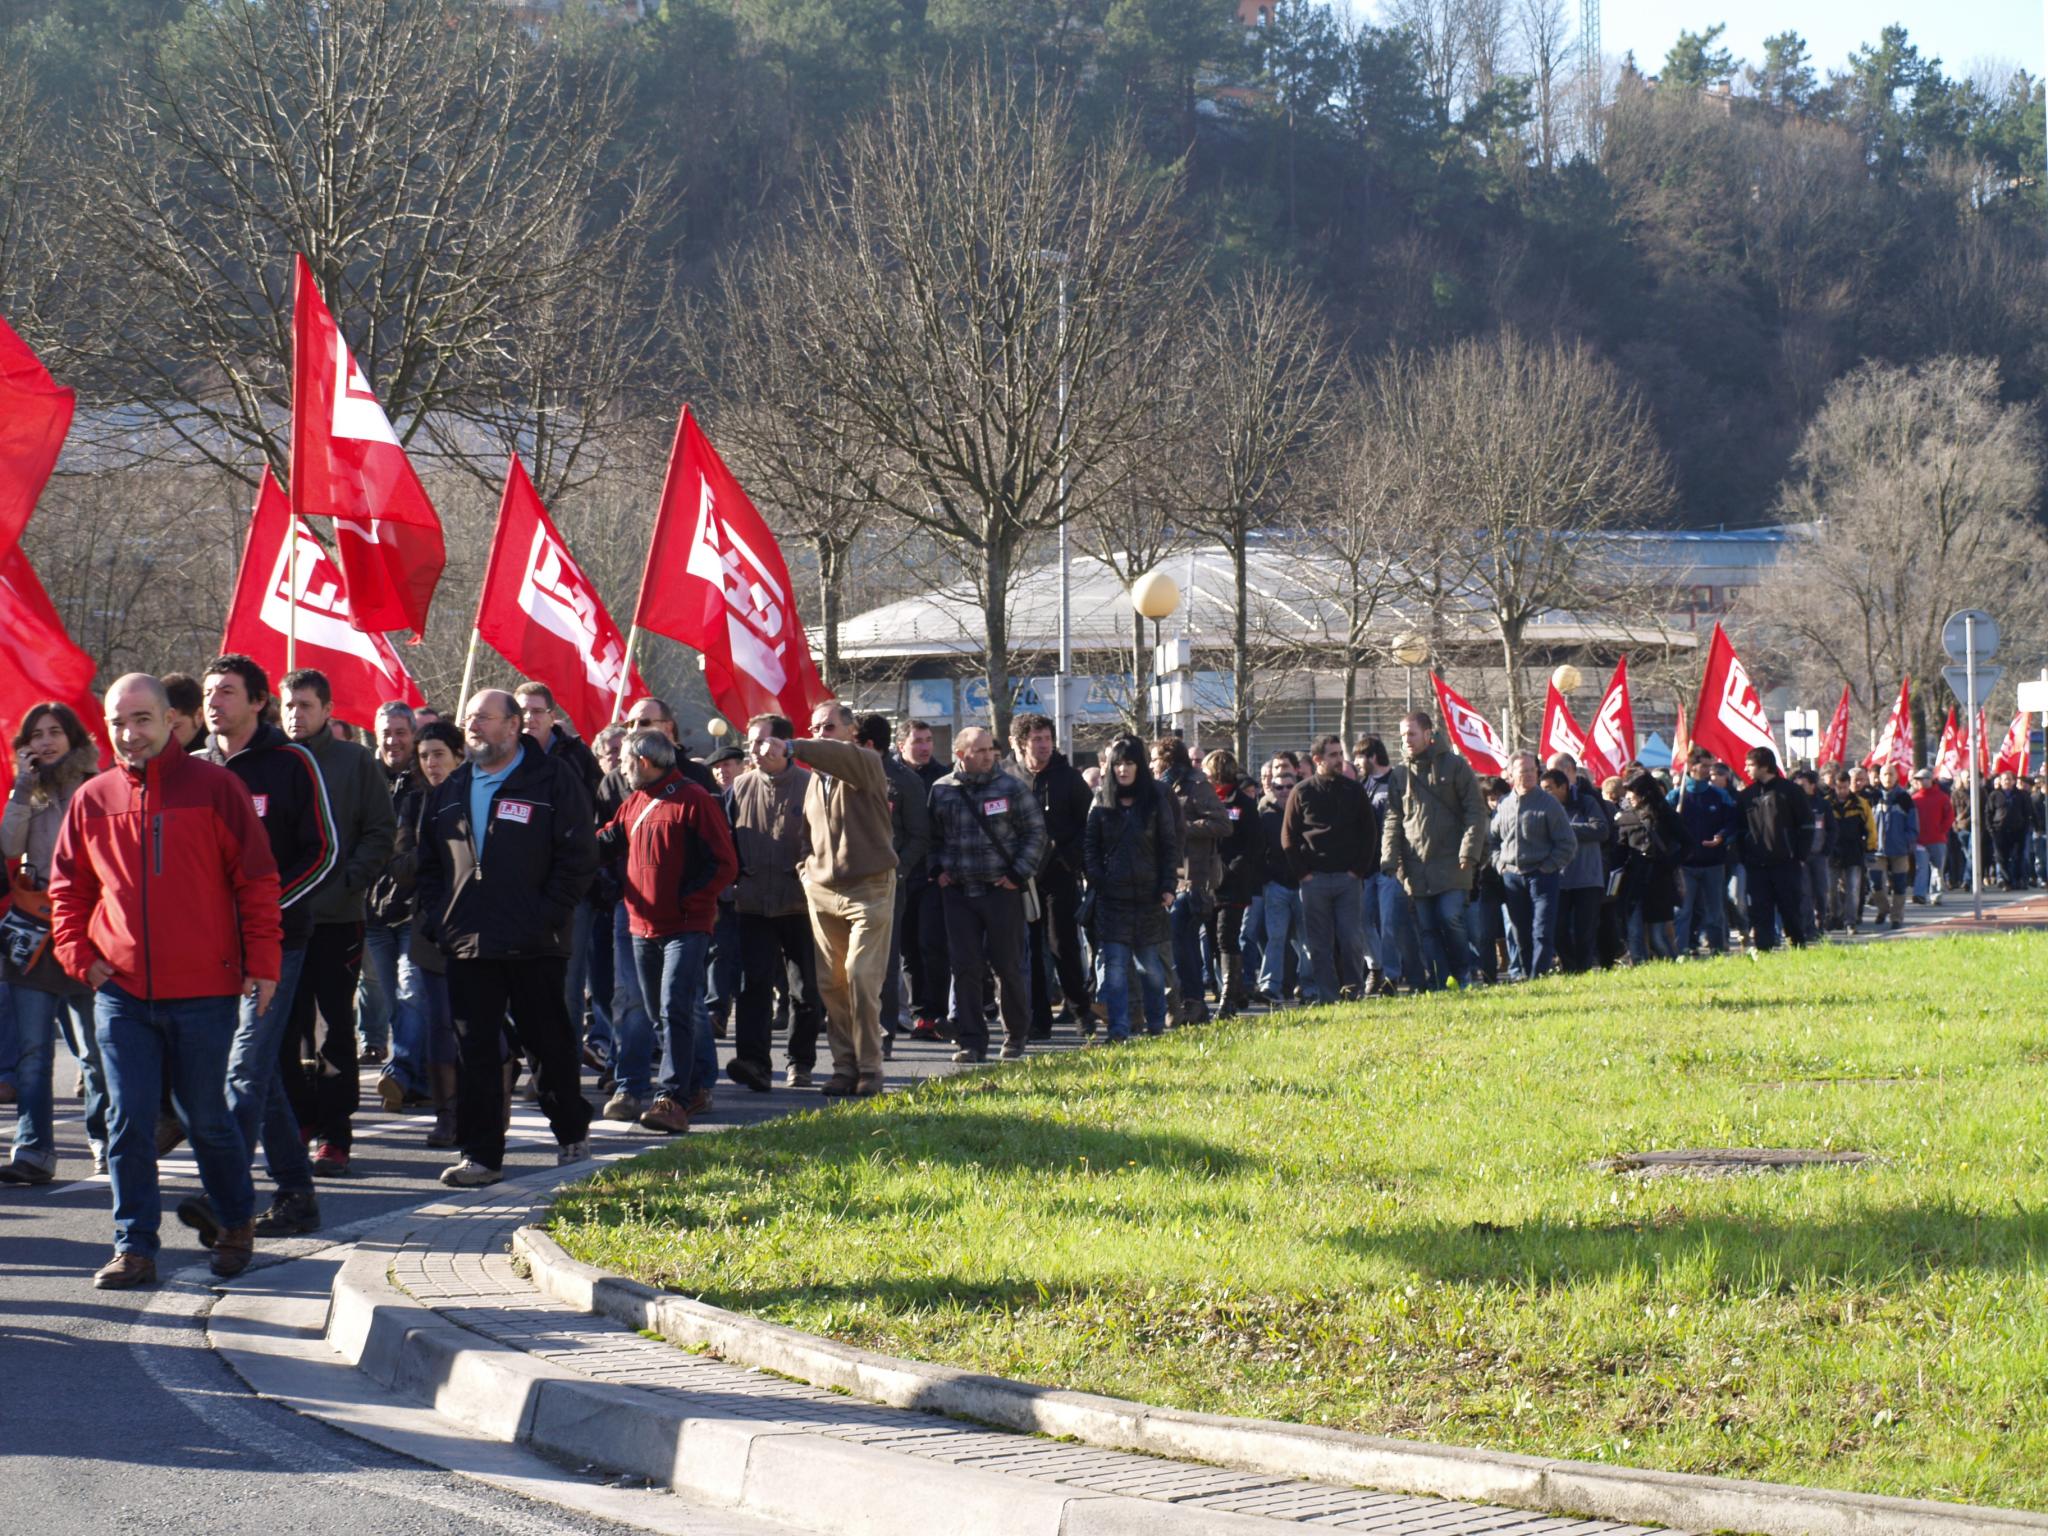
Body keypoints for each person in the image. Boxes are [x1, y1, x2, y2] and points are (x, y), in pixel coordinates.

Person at [51, 675, 282, 1287]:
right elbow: (67, 891)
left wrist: (263, 964)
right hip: (122, 993)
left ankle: (235, 1221)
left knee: (205, 1116)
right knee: (127, 1120)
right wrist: (81, 958)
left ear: (171, 721)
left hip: (205, 991)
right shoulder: (91, 798)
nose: (131, 734)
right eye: (119, 722)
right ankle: (135, 1246)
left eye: (143, 719)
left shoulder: (217, 790)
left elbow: (257, 881)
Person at [414, 689, 598, 1187]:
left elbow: (578, 856)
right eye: (469, 718)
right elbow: (428, 864)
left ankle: (571, 1136)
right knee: (475, 1050)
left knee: (549, 1042)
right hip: (468, 943)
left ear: (514, 725)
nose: (473, 726)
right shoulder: (450, 788)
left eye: (485, 718)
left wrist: (548, 914)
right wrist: (441, 918)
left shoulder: (552, 779)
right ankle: (482, 1156)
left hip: (534, 940)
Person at [198, 655, 338, 1240]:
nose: (213, 702)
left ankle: (224, 1199)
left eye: (227, 692)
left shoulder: (291, 762)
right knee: (264, 1075)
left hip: (278, 944)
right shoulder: (194, 770)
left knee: (244, 1071)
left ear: (259, 702)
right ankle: (297, 1195)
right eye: (208, 692)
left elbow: (324, 852)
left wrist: (263, 913)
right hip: (210, 948)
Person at [596, 728, 738, 1133]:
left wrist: (691, 903)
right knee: (664, 1016)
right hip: (642, 927)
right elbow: (607, 840)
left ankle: (672, 1098)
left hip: (686, 927)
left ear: (643, 761)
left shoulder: (693, 798)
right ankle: (691, 1089)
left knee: (676, 1005)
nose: (620, 770)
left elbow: (724, 863)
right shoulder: (635, 801)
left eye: (625, 762)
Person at [0, 702, 100, 1183]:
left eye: (54, 732)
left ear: (73, 738)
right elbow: (8, 847)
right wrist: (21, 786)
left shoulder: (96, 787)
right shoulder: (28, 792)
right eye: (36, 734)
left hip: (88, 929)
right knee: (33, 1052)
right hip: (33, 934)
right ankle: (33, 1151)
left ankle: (107, 1140)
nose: (45, 741)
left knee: (98, 1051)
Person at [787, 701, 899, 1095]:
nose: (820, 734)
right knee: (831, 984)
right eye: (814, 727)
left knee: (860, 976)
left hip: (869, 888)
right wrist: (806, 871)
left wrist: (791, 746)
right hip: (822, 891)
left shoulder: (865, 762)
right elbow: (806, 834)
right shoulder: (815, 780)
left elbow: (834, 755)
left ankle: (871, 1067)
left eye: (828, 726)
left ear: (852, 732)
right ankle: (844, 1066)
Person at [928, 726, 1046, 1063]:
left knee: (1008, 967)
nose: (987, 755)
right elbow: (932, 838)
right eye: (979, 750)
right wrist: (938, 871)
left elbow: (1036, 833)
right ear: (961, 754)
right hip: (960, 893)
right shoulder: (942, 790)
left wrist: (1017, 874)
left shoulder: (1010, 787)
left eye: (990, 749)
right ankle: (971, 1041)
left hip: (1001, 891)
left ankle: (1015, 1036)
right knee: (965, 967)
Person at [727, 714, 824, 1090]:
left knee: (804, 990)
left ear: (785, 745)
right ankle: (754, 1063)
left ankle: (800, 1062)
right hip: (752, 904)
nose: (753, 749)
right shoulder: (739, 787)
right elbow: (727, 841)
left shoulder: (811, 785)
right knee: (752, 987)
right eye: (750, 740)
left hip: (800, 904)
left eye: (762, 741)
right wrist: (734, 883)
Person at [395, 720, 465, 1147]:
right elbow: (402, 868)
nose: (431, 763)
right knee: (440, 1024)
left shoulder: (478, 792)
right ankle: (447, 1114)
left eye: (438, 753)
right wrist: (427, 843)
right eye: (424, 756)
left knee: (479, 1026)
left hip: (480, 927)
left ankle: (485, 1109)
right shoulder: (414, 804)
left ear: (458, 754)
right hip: (431, 931)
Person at [1380, 711, 1487, 990]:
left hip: (1454, 862)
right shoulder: (1400, 775)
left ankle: (1463, 974)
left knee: (1450, 918)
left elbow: (1475, 811)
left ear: (1429, 734)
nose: (1407, 740)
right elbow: (1394, 820)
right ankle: (1441, 981)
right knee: (1427, 929)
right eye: (1403, 735)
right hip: (1416, 866)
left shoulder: (1455, 766)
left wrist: (1469, 852)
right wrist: (1389, 860)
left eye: (1412, 734)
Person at [1083, 737, 1176, 1041]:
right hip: (1112, 900)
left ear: (1140, 765)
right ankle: (1118, 1029)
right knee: (1115, 969)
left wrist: (1167, 886)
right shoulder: (1100, 800)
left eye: (1129, 763)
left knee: (1151, 969)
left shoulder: (1154, 801)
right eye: (1118, 763)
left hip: (1149, 899)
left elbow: (1168, 847)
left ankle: (1156, 1026)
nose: (1123, 769)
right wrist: (1099, 879)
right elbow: (1091, 848)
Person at [1012, 712, 1095, 1040]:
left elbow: (1088, 824)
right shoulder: (1009, 776)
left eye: (1047, 738)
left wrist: (1067, 859)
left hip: (1059, 874)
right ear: (1022, 743)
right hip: (1021, 875)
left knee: (1063, 945)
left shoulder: (1068, 778)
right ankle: (1037, 1017)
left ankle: (1080, 1011)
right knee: (1028, 948)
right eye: (1037, 739)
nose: (1044, 745)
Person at [1280, 734, 1374, 1002]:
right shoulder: (1302, 792)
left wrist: (1358, 870)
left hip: (1348, 879)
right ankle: (1328, 995)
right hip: (1315, 880)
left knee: (1351, 940)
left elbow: (1368, 832)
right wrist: (1303, 874)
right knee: (1319, 945)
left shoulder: (1354, 791)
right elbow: (1288, 837)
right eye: (1332, 755)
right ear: (1318, 759)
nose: (1339, 759)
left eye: (1339, 753)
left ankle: (1354, 991)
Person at [363, 701, 424, 1105]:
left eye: (400, 732)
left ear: (413, 735)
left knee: (410, 993)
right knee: (391, 999)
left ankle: (400, 1072)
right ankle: (417, 1079)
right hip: (371, 912)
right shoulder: (364, 779)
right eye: (385, 732)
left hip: (414, 911)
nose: (392, 740)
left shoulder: (428, 782)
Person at [859, 713, 929, 1058]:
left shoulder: (904, 781)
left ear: (869, 744)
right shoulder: (845, 775)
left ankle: (882, 1035)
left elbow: (918, 836)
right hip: (847, 884)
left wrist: (896, 871)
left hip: (888, 885)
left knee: (884, 963)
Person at [1151, 737, 1229, 1023]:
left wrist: (1183, 827)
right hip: (1172, 877)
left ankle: (1193, 1001)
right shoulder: (1161, 787)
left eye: (1155, 758)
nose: (1151, 764)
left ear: (1168, 759)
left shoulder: (1196, 784)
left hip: (1194, 878)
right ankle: (1187, 1002)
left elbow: (1222, 823)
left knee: (1182, 941)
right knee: (1179, 943)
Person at [1490, 754, 1574, 980]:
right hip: (1512, 878)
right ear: (1511, 775)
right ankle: (1526, 976)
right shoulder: (1504, 805)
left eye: (1531, 770)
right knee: (1520, 933)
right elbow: (1493, 840)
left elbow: (1567, 843)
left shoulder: (1549, 804)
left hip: (1542, 876)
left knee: (1542, 931)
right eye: (1522, 770)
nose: (1527, 774)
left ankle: (1539, 976)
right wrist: (1500, 865)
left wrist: (1549, 866)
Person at [893, 719, 950, 1040]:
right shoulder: (889, 777)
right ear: (902, 745)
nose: (925, 746)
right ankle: (919, 1015)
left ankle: (935, 1014)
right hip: (899, 874)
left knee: (933, 945)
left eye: (928, 740)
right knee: (908, 950)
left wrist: (942, 867)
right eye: (918, 741)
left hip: (932, 876)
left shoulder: (943, 778)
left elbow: (948, 828)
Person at [1202, 749, 1264, 1017]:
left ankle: (1227, 1000)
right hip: (1208, 882)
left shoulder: (1244, 804)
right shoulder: (1205, 802)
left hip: (1234, 883)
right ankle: (1236, 990)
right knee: (1213, 942)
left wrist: (1231, 871)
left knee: (1226, 937)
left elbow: (1252, 846)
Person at [1735, 746, 1811, 952]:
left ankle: (1797, 946)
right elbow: (1739, 829)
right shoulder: (1746, 796)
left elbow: (1806, 825)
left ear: (1765, 766)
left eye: (1750, 765)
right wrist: (1745, 856)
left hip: (1786, 863)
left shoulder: (1791, 791)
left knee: (1791, 909)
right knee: (1760, 911)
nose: (1746, 769)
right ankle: (1764, 950)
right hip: (1756, 866)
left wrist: (1800, 855)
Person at [1613, 772, 1686, 962]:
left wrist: (1670, 862)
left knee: (1657, 936)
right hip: (1633, 881)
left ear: (1644, 793)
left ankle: (1671, 965)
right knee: (1635, 932)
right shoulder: (1625, 818)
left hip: (1659, 881)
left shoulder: (1665, 814)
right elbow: (1619, 853)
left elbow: (1688, 843)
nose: (1628, 797)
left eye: (1632, 792)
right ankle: (1640, 967)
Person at [1548, 752, 1611, 972]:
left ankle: (1583, 969)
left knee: (1585, 929)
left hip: (1587, 877)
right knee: (1558, 928)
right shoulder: (1544, 806)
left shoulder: (1587, 800)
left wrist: (1566, 830)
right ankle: (1569, 967)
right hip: (1558, 877)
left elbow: (1602, 829)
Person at [1669, 752, 1737, 957]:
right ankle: (1680, 950)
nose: (1709, 770)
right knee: (1683, 911)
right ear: (1691, 767)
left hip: (1713, 863)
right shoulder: (1675, 796)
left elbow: (1732, 823)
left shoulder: (1719, 795)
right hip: (1685, 865)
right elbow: (1662, 824)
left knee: (1714, 912)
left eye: (1710, 765)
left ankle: (1716, 949)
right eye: (1704, 766)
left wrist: (1722, 836)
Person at [1251, 756, 1304, 1002]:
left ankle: (1309, 985)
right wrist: (1267, 877)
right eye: (1278, 787)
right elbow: (1258, 851)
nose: (1283, 791)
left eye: (1288, 786)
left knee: (1305, 940)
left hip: (1304, 883)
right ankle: (1269, 985)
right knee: (1276, 938)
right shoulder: (1265, 813)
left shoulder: (1305, 810)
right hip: (1276, 885)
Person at [1825, 769, 1874, 934]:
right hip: (1832, 851)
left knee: (1853, 889)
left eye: (1845, 787)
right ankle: (1835, 916)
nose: (1842, 791)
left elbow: (1870, 827)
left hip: (1854, 850)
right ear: (1834, 786)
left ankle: (1850, 921)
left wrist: (1870, 847)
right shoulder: (1827, 804)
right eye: (1839, 787)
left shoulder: (1860, 804)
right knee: (1831, 889)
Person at [1872, 763, 1919, 929]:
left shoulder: (1904, 798)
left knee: (1899, 884)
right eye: (1884, 774)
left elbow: (1913, 824)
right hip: (1877, 850)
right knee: (1875, 883)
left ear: (1897, 776)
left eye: (1891, 774)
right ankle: (1883, 909)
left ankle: (1896, 917)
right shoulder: (1873, 796)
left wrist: (1907, 841)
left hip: (1899, 850)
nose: (1888, 778)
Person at [1911, 768, 1953, 905]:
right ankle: (1919, 894)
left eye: (1922, 779)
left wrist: (1941, 830)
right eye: (1917, 780)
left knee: (1937, 868)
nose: (1919, 782)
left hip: (1937, 839)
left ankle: (1936, 895)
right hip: (1920, 841)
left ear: (1930, 780)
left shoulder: (1942, 797)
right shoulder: (1914, 799)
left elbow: (1949, 816)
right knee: (1921, 867)